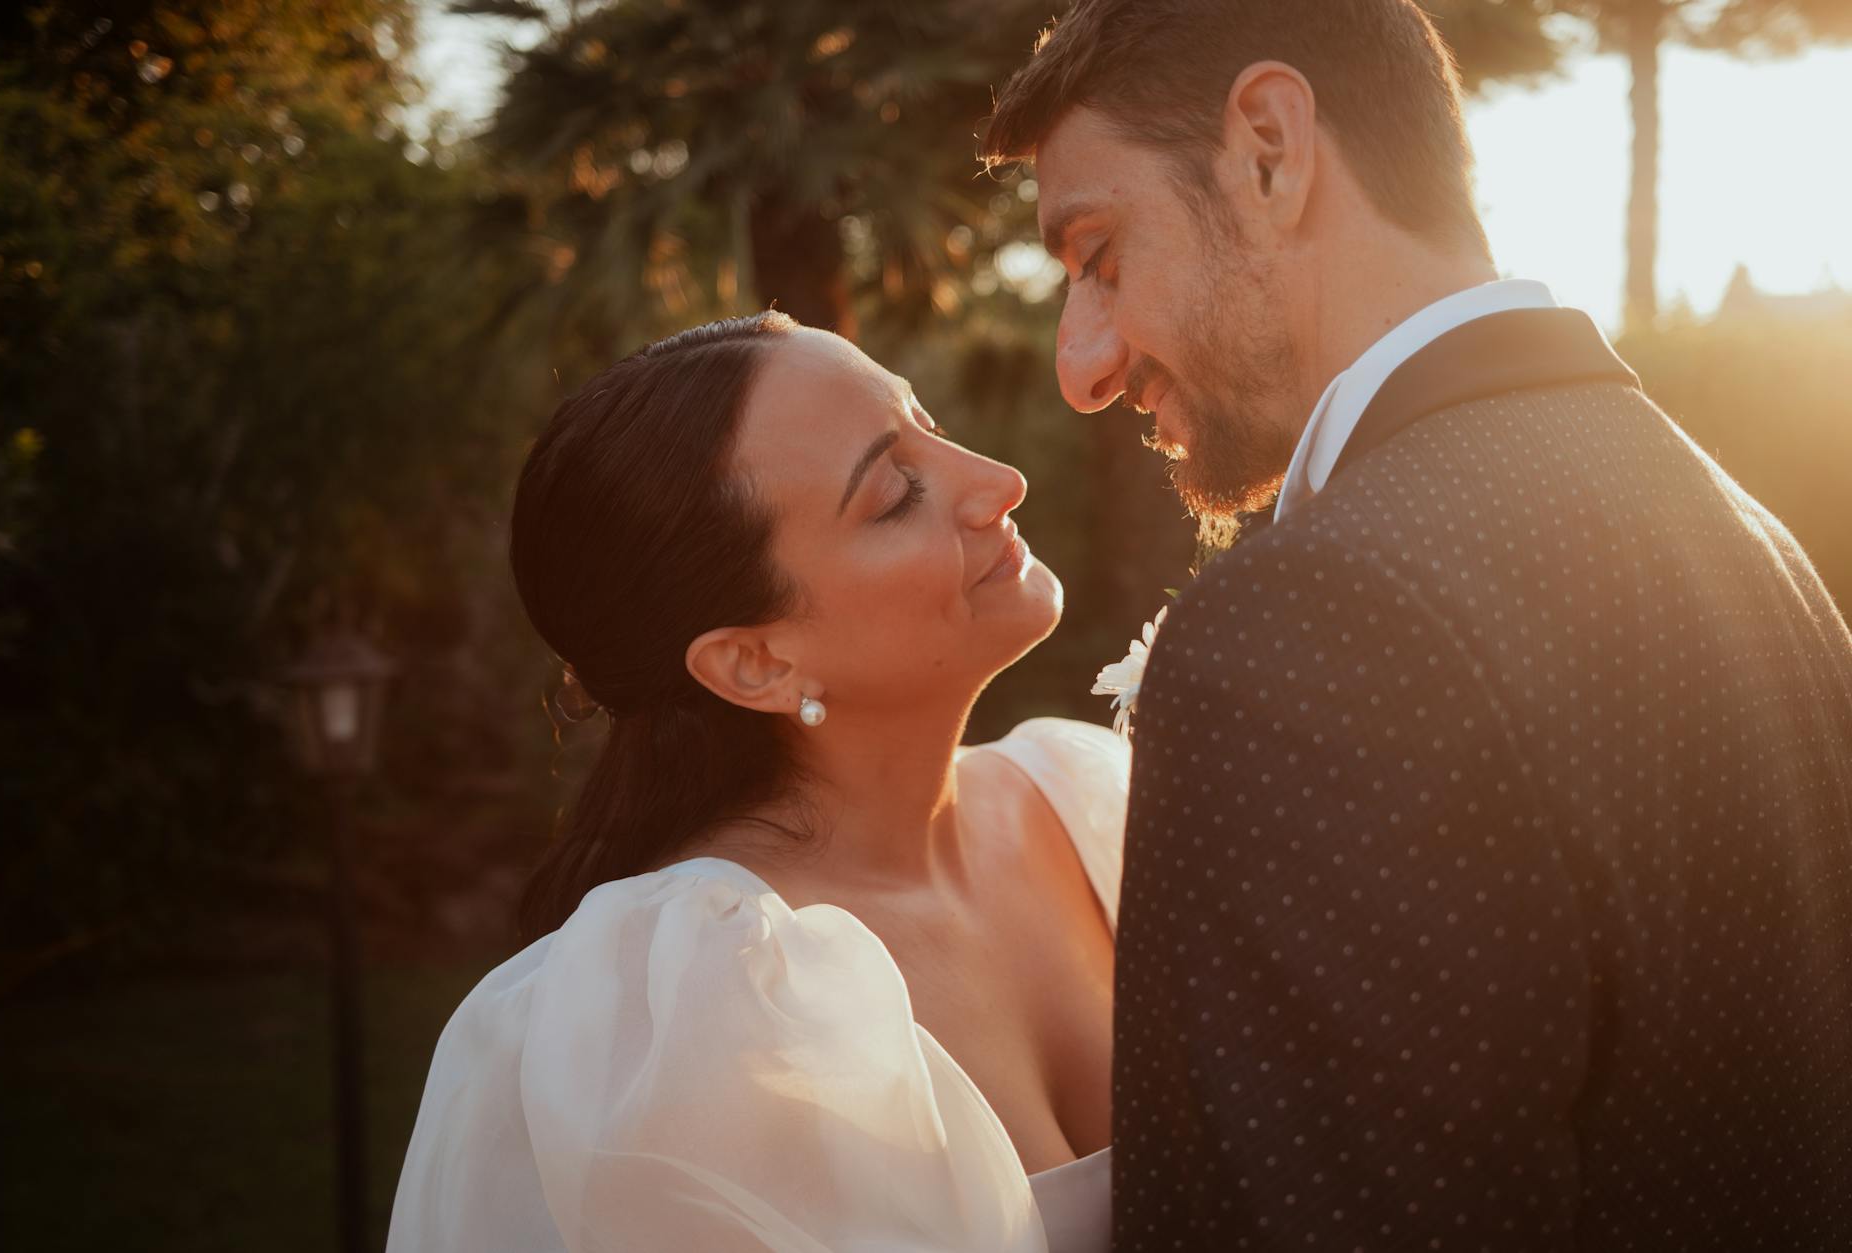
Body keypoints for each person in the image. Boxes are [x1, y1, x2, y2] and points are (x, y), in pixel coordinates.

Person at [982, 0, 1852, 1248]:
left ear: (1269, 150)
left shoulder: (1315, 621)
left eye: (1101, 253)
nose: (1081, 362)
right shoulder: (1739, 531)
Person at [388, 312, 1124, 1252]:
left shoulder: (1092, 801)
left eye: (928, 422)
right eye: (897, 493)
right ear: (753, 663)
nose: (998, 481)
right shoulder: (695, 1014)